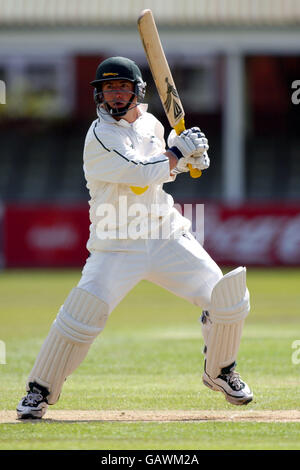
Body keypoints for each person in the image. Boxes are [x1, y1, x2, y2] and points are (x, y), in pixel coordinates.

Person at [17, 57, 253, 419]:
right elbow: (140, 175)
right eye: (107, 88)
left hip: (164, 233)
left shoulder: (152, 125)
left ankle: (221, 371)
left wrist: (192, 160)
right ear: (98, 95)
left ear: (137, 91)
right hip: (117, 242)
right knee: (82, 316)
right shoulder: (99, 136)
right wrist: (179, 152)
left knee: (228, 298)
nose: (114, 95)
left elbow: (162, 173)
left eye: (121, 87)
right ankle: (39, 390)